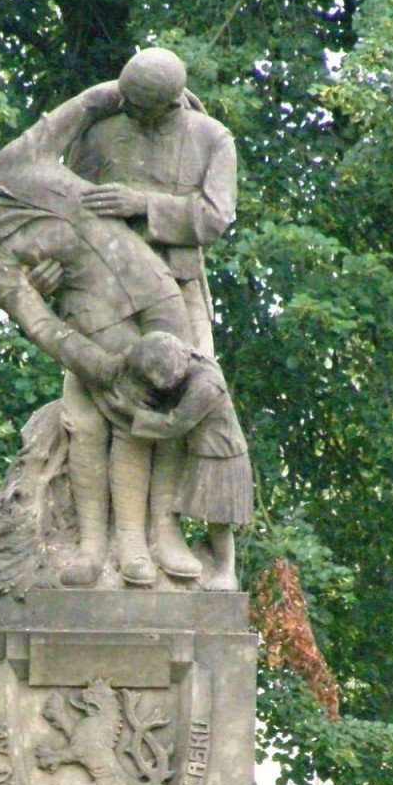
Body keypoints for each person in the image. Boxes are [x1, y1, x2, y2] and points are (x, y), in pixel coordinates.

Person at [0, 85, 194, 586]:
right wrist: (97, 364)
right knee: (120, 419)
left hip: (151, 279)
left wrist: (157, 91)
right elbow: (40, 324)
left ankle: (158, 535)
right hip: (98, 322)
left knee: (179, 396)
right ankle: (105, 546)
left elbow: (84, 105)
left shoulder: (11, 165)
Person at [68, 48, 237, 579]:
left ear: (170, 104)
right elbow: (65, 210)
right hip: (105, 291)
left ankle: (163, 533)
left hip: (180, 289)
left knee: (179, 407)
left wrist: (141, 204)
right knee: (91, 415)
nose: (132, 113)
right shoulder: (99, 135)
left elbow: (214, 217)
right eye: (128, 102)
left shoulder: (211, 137)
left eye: (144, 107)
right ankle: (96, 544)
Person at [111, 332, 253, 592]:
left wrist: (130, 412)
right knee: (211, 518)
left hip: (221, 455)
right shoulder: (194, 361)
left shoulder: (205, 385)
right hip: (205, 452)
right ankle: (217, 565)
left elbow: (174, 424)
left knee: (219, 520)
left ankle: (226, 572)